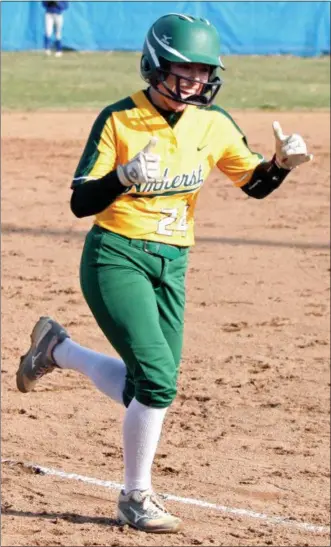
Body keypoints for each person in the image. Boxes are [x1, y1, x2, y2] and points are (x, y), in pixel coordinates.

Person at [16, 13, 313, 534]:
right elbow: (80, 202)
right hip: (116, 256)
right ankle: (135, 497)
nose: (195, 82)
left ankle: (56, 350)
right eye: (185, 70)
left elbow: (255, 185)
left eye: (203, 72)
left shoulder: (213, 122)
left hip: (173, 262)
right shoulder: (118, 119)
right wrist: (123, 177)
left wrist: (280, 166)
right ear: (155, 65)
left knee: (149, 386)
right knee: (156, 380)